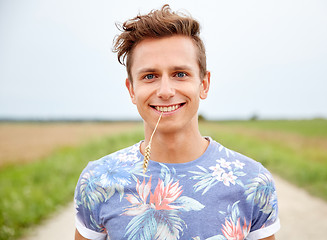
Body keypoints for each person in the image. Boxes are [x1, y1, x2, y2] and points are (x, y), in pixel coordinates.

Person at [74, 4, 280, 240]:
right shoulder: (97, 181)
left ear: (204, 84)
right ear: (131, 90)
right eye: (149, 76)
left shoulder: (253, 181)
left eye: (180, 74)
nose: (165, 91)